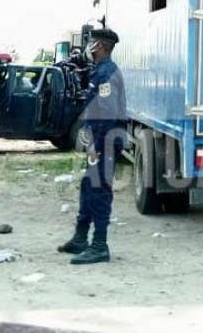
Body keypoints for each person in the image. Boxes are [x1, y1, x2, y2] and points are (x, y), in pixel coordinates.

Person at [57, 28, 127, 265]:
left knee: (99, 191)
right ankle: (80, 237)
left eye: (91, 43)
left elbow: (106, 113)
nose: (88, 46)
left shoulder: (106, 72)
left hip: (105, 139)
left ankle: (99, 245)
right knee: (88, 186)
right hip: (100, 138)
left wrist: (96, 144)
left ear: (99, 46)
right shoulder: (99, 70)